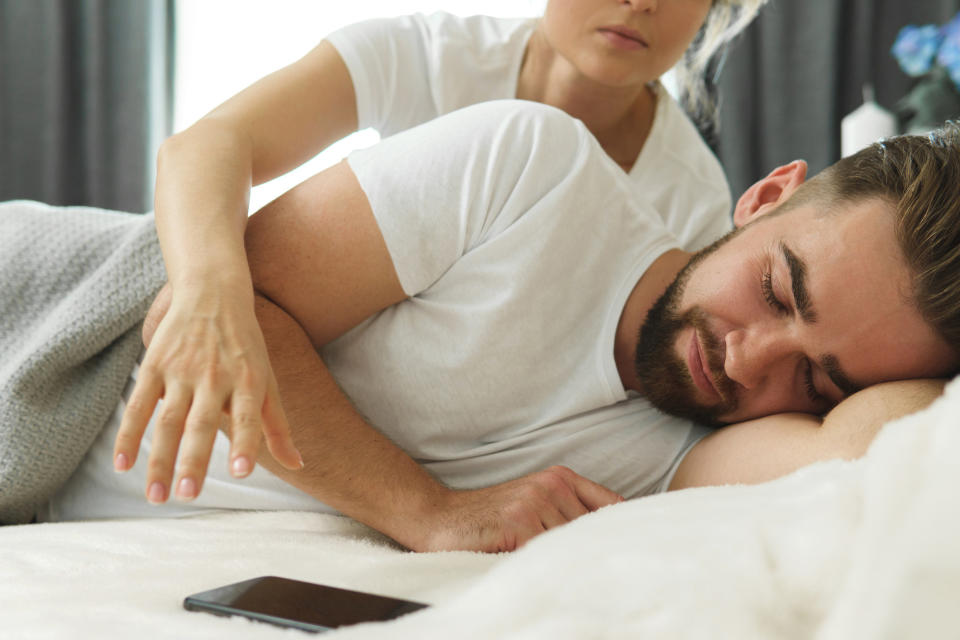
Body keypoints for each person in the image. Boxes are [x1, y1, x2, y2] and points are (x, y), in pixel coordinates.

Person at [100, 101, 960, 552]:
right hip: (59, 356)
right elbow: (216, 303)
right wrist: (425, 510)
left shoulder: (699, 455)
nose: (746, 361)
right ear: (765, 196)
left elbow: (873, 451)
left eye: (819, 379)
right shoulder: (529, 173)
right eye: (776, 291)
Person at [140, 0, 768, 502]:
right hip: (268, 326)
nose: (643, 2)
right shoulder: (425, 55)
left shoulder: (692, 200)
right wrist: (208, 291)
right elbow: (207, 145)